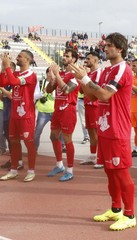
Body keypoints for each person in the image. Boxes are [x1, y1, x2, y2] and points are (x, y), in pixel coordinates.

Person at [70, 32, 136, 231]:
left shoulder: (122, 69)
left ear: (120, 49)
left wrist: (86, 79)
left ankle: (130, 214)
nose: (105, 48)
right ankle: (116, 209)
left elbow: (105, 94)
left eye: (109, 45)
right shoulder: (108, 70)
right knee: (109, 172)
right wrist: (82, 80)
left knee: (121, 173)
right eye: (105, 45)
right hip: (105, 128)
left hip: (117, 129)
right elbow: (91, 95)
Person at [0, 50, 37, 182]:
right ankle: (14, 170)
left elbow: (14, 82)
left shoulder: (31, 75)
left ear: (27, 60)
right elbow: (3, 83)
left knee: (29, 143)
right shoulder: (16, 73)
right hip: (14, 115)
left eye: (20, 56)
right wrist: (4, 68)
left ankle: (31, 171)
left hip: (26, 115)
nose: (17, 58)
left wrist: (8, 68)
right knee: (14, 141)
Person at [46, 48, 79, 182]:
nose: (64, 57)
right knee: (53, 136)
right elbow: (48, 90)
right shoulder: (62, 73)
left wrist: (57, 76)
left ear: (74, 59)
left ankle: (70, 170)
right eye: (64, 55)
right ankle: (59, 165)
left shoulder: (76, 75)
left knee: (67, 139)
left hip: (68, 110)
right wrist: (52, 79)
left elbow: (66, 90)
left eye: (67, 56)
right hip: (57, 109)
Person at [79, 51, 103, 168]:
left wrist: (84, 79)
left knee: (97, 132)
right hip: (87, 105)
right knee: (90, 132)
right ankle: (93, 156)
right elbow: (82, 91)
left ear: (95, 60)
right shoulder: (89, 74)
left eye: (88, 59)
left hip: (95, 106)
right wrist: (81, 79)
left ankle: (101, 158)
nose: (86, 61)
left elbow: (95, 90)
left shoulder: (99, 73)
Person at [0, 62, 24, 170]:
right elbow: (3, 98)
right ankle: (12, 160)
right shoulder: (6, 82)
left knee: (14, 139)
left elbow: (11, 96)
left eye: (5, 68)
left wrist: (2, 90)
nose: (4, 70)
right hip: (6, 113)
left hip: (13, 114)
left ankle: (19, 162)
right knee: (10, 139)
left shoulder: (15, 81)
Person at [34, 67, 55, 152]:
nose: (53, 74)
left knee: (59, 132)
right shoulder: (40, 83)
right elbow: (35, 96)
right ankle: (34, 149)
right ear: (47, 73)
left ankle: (62, 147)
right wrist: (43, 92)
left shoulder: (57, 83)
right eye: (51, 72)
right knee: (37, 132)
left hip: (54, 112)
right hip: (43, 112)